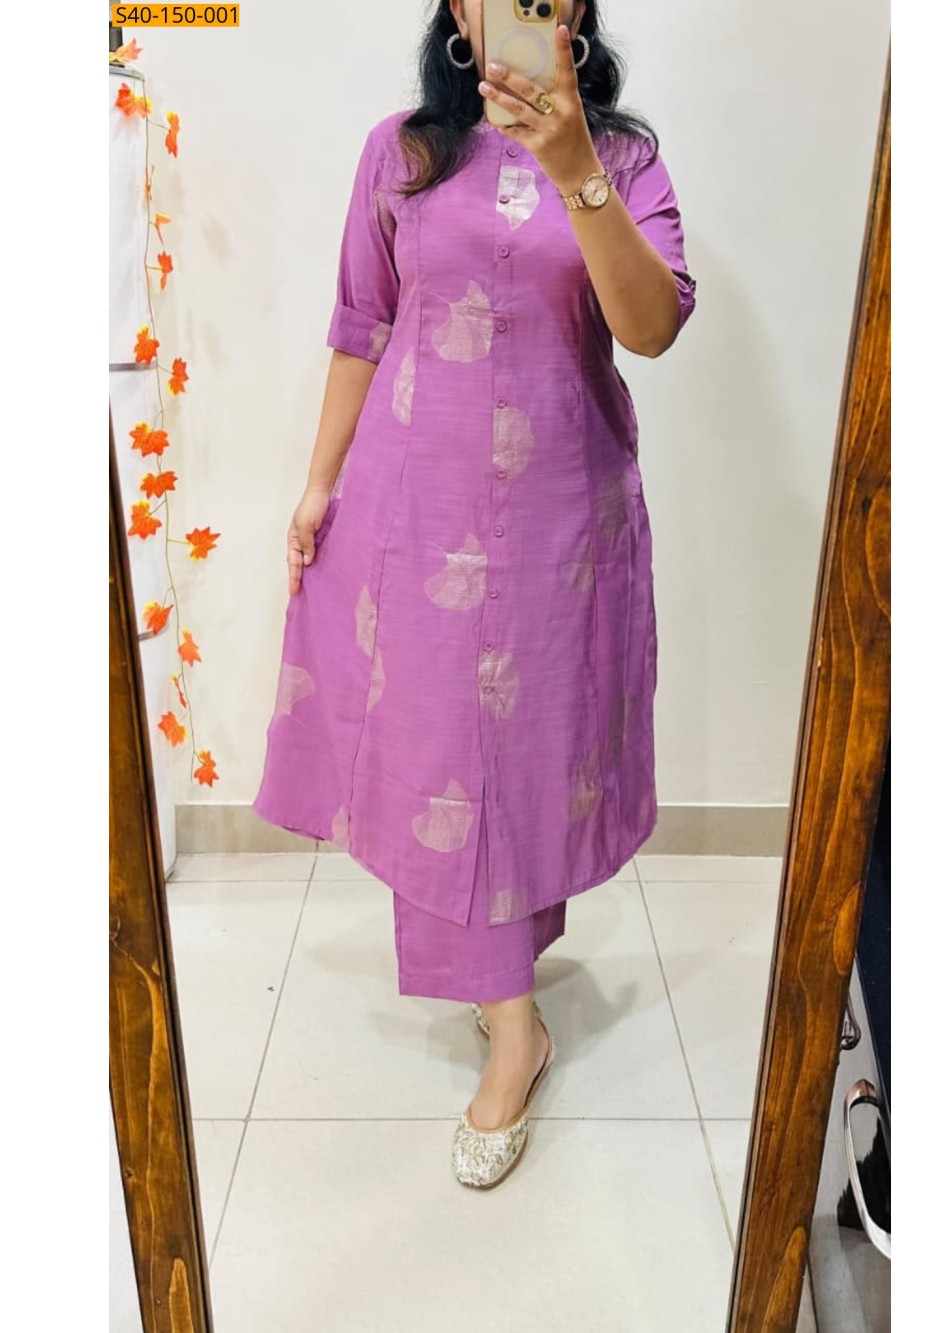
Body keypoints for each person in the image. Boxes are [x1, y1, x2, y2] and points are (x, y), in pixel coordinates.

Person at [253, 0, 696, 1188]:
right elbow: (361, 324)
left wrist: (575, 166)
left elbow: (651, 327)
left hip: (561, 520)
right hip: (415, 508)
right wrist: (317, 484)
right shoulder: (402, 151)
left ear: (577, 13)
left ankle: (509, 996)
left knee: (527, 759)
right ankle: (512, 1025)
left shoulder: (624, 159)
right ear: (457, 12)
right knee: (441, 759)